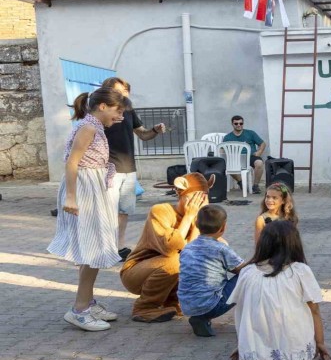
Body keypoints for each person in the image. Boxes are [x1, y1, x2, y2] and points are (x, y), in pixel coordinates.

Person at [47, 87, 130, 331]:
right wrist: (71, 197)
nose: (120, 117)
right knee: (91, 249)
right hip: (84, 191)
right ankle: (80, 309)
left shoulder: (94, 127)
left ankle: (88, 302)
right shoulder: (88, 128)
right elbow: (72, 163)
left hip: (91, 189)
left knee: (93, 248)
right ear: (103, 106)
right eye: (118, 111)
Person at [228, 220, 331, 360]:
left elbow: (242, 311)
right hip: (296, 355)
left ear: (263, 243)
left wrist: (243, 344)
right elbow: (314, 309)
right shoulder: (300, 271)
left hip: (253, 354)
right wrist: (320, 342)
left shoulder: (247, 272)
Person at [120, 173, 213, 323]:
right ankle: (144, 308)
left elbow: (194, 253)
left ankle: (172, 302)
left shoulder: (200, 218)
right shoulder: (160, 210)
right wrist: (189, 216)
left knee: (195, 259)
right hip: (136, 273)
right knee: (177, 260)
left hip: (165, 267)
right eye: (195, 197)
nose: (199, 203)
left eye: (203, 198)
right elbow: (171, 247)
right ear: (181, 194)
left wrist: (197, 223)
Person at [100, 77, 166, 261]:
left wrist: (154, 130)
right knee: (108, 211)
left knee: (124, 211)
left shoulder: (128, 110)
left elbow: (142, 134)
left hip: (128, 168)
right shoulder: (102, 113)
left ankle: (119, 246)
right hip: (109, 168)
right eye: (120, 90)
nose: (124, 94)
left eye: (126, 91)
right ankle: (104, 247)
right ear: (108, 91)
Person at [178, 204, 245, 337]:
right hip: (212, 306)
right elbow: (242, 269)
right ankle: (250, 322)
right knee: (247, 276)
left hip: (187, 305)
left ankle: (200, 318)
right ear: (223, 227)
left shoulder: (187, 248)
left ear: (196, 224)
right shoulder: (221, 249)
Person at [223, 115, 266, 194]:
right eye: (236, 124)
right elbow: (222, 149)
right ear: (232, 124)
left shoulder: (250, 133)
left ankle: (255, 186)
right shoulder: (227, 137)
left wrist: (259, 152)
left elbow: (262, 143)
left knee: (259, 163)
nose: (239, 125)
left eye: (241, 123)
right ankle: (241, 183)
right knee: (226, 165)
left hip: (251, 156)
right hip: (235, 158)